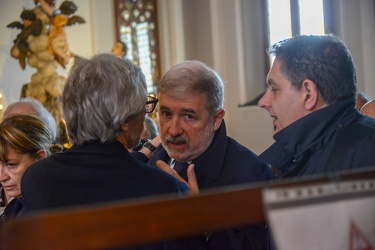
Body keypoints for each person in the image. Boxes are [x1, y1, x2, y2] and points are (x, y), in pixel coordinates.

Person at [21, 54, 188, 214]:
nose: (145, 114)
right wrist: (195, 210)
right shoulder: (165, 191)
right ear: (124, 121)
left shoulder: (36, 179)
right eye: (144, 105)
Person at [144, 60, 272, 249]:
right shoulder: (151, 162)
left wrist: (201, 218)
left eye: (188, 116)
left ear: (216, 119)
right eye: (166, 114)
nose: (174, 130)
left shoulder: (250, 175)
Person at [258, 34, 375, 179]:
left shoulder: (366, 152)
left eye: (274, 89)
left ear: (308, 93)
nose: (263, 102)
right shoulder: (284, 154)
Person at [0, 114, 61, 226]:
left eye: (11, 164)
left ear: (40, 158)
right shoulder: (17, 204)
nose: (2, 177)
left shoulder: (58, 207)